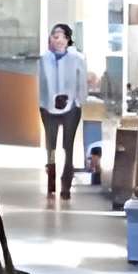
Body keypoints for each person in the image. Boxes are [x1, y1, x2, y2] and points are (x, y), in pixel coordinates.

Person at [38, 21, 89, 198]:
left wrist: (79, 101)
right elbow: (41, 84)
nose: (58, 40)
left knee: (68, 146)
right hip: (48, 107)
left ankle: (66, 184)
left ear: (68, 39)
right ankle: (51, 180)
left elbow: (82, 83)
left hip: (71, 108)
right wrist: (43, 104)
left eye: (62, 36)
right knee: (50, 147)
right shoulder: (44, 59)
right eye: (54, 36)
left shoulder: (78, 59)